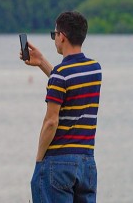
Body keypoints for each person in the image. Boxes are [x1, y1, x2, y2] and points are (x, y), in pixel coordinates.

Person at [21, 11, 102, 203]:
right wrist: (42, 62)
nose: (54, 39)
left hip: (58, 162)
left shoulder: (60, 76)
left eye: (54, 34)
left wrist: (39, 161)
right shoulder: (95, 69)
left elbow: (51, 122)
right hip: (86, 162)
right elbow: (70, 87)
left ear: (62, 37)